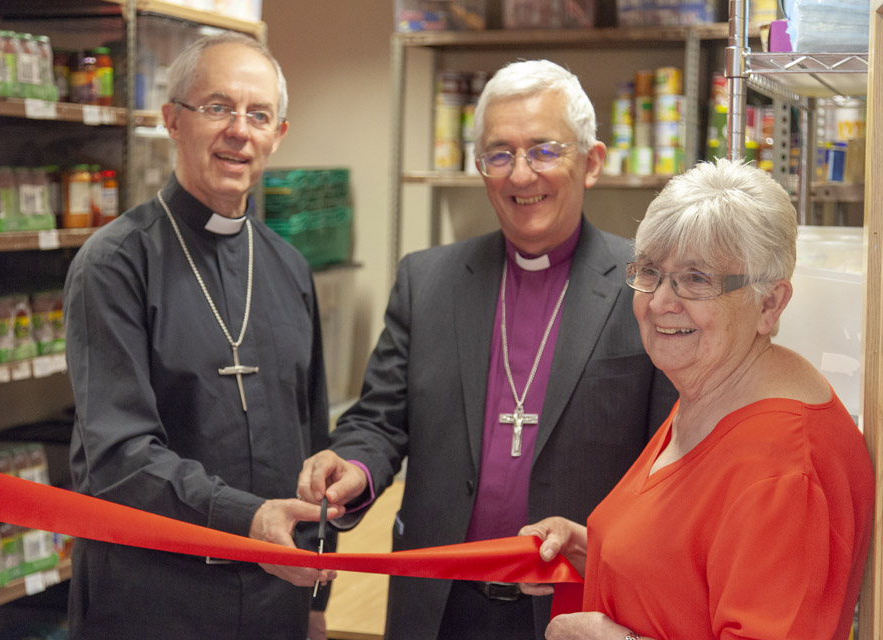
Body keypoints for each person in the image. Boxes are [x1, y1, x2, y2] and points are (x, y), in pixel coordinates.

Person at [297, 59, 677, 639]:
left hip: (577, 607)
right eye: (499, 155)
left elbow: (668, 467)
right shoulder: (428, 280)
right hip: (439, 606)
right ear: (480, 169)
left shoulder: (647, 287)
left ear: (592, 162)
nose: (521, 175)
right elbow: (378, 420)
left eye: (545, 150)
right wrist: (352, 468)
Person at [520, 159, 875, 640]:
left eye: (697, 279)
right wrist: (597, 552)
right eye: (650, 272)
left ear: (769, 304)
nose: (661, 302)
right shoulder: (713, 385)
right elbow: (697, 556)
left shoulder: (784, 472)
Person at [63, 33, 339, 640]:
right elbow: (118, 459)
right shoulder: (113, 263)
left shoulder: (289, 267)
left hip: (276, 602)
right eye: (218, 108)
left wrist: (319, 596)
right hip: (153, 604)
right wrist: (247, 518)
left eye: (258, 114)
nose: (240, 131)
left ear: (278, 135)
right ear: (172, 121)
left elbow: (312, 440)